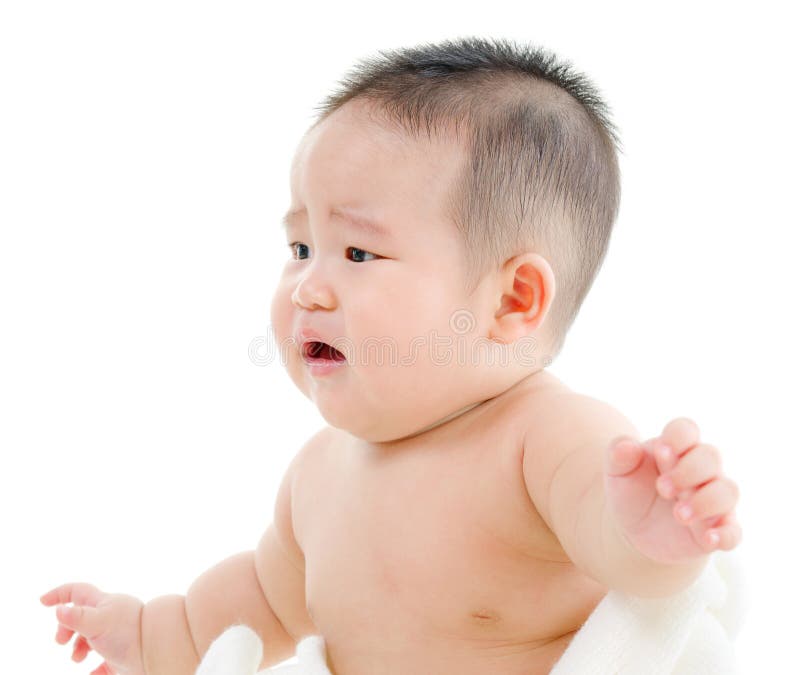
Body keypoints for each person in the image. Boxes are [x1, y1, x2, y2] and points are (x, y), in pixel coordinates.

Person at [40, 36, 742, 675]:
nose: (308, 287)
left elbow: (612, 543)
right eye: (300, 247)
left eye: (357, 252)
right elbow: (262, 597)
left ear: (511, 301)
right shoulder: (319, 472)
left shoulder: (544, 439)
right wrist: (152, 635)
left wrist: (648, 533)